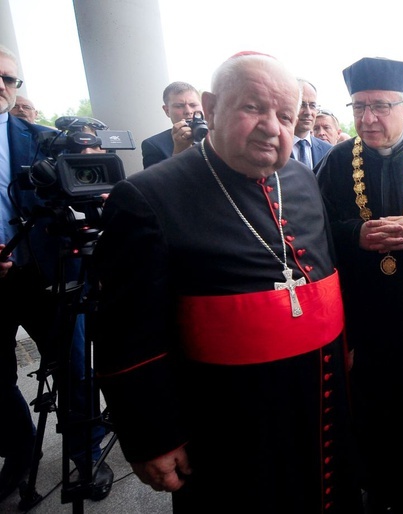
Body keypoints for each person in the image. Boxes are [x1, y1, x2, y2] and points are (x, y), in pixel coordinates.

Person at [91, 51, 363, 514]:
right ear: (212, 107)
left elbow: (327, 271)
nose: (272, 127)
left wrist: (346, 345)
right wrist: (154, 436)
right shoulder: (148, 196)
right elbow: (127, 335)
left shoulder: (300, 178)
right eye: (253, 108)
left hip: (319, 395)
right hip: (226, 416)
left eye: (285, 115)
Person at [315, 56, 403, 514]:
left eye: (378, 106)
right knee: (366, 397)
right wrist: (354, 233)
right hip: (360, 305)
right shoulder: (337, 159)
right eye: (358, 108)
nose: (366, 119)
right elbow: (315, 229)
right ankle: (368, 483)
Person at [0, 45, 113, 504]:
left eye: (9, 79)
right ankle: (19, 448)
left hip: (48, 272)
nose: (3, 87)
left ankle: (85, 452)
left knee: (71, 366)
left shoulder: (41, 138)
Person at [140, 81, 203, 169]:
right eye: (179, 106)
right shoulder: (154, 145)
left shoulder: (217, 136)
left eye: (193, 105)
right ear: (167, 110)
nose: (188, 111)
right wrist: (179, 152)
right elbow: (157, 182)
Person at [292, 79, 332, 170]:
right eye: (302, 105)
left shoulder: (329, 151)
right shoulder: (274, 147)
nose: (308, 112)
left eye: (312, 105)